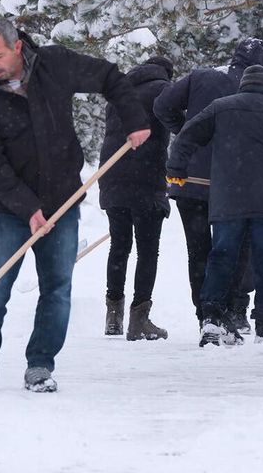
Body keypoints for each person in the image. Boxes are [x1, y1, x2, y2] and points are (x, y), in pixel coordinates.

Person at [0, 17, 150, 392]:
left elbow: (110, 76)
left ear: (17, 47)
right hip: (6, 208)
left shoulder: (55, 64)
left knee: (57, 289)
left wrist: (134, 119)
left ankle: (40, 366)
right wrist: (26, 207)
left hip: (62, 201)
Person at [166, 65, 263, 345]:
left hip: (229, 198)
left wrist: (177, 168)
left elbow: (187, 135)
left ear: (243, 85)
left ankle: (210, 319)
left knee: (222, 258)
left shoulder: (221, 108)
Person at [153, 38, 263, 333]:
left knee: (198, 250)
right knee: (234, 250)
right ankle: (234, 310)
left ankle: (206, 315)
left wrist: (187, 132)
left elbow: (162, 105)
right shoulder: (255, 90)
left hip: (190, 180)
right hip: (233, 184)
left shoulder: (201, 76)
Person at [98, 56, 173, 341]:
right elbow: (178, 125)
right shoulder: (165, 90)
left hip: (112, 177)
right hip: (146, 178)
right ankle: (139, 320)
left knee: (119, 246)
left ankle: (113, 317)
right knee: (147, 250)